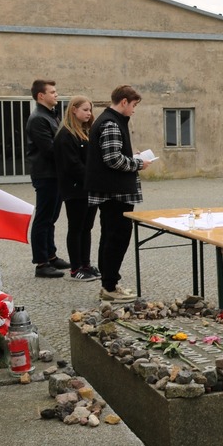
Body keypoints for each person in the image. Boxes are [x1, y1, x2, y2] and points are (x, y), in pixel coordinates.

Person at [86, 85, 152, 302]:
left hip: (110, 191)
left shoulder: (106, 120)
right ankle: (110, 287)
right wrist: (137, 163)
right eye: (133, 105)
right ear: (124, 102)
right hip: (115, 193)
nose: (133, 110)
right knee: (116, 238)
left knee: (109, 236)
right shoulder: (112, 123)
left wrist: (130, 155)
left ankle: (109, 282)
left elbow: (112, 154)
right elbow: (113, 159)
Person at [53, 95, 101, 281]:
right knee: (76, 228)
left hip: (88, 188)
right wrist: (92, 178)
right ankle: (75, 268)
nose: (89, 113)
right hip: (75, 189)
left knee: (87, 228)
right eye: (85, 110)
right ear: (74, 110)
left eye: (90, 110)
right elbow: (72, 165)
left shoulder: (85, 131)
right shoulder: (65, 134)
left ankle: (85, 264)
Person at [26, 78, 69, 279]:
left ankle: (51, 256)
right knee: (43, 218)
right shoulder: (38, 119)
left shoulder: (51, 116)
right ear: (41, 96)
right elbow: (50, 149)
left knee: (51, 218)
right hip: (46, 174)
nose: (56, 95)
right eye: (52, 92)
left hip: (55, 174)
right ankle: (41, 263)